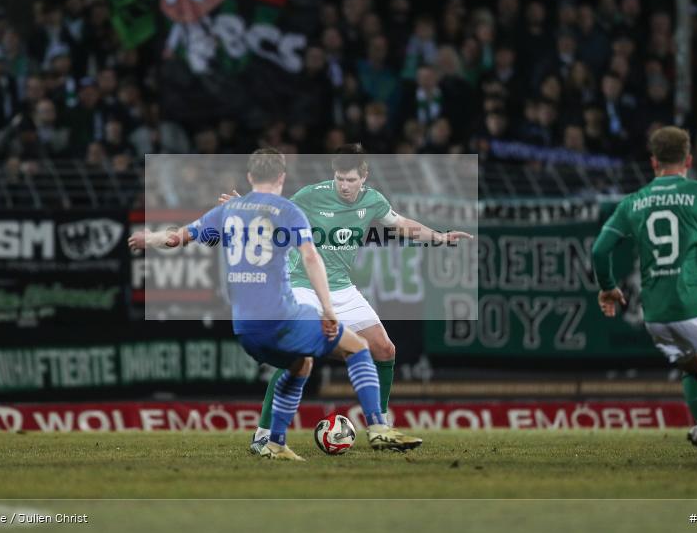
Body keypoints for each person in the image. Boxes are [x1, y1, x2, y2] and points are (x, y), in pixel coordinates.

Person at [129, 149, 422, 461]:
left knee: (300, 364)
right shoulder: (288, 212)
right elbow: (310, 257)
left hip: (244, 328)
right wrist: (329, 310)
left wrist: (149, 238)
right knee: (358, 348)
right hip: (283, 315)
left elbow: (176, 239)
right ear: (281, 178)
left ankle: (270, 440)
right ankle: (378, 427)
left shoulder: (229, 211)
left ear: (250, 177)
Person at [219, 144, 471, 454]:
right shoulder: (312, 195)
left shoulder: (374, 201)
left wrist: (440, 237)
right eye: (340, 179)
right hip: (304, 285)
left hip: (342, 287)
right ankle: (263, 435)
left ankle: (380, 429)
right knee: (299, 357)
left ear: (364, 177)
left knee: (384, 349)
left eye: (351, 180)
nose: (345, 186)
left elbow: (403, 225)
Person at [591, 126, 697, 470]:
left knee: (692, 366)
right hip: (692, 302)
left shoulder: (632, 202)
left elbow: (599, 250)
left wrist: (608, 286)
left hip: (655, 315)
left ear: (653, 162)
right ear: (689, 160)